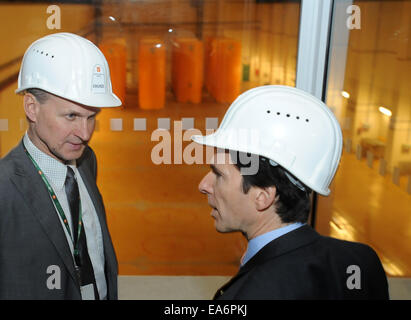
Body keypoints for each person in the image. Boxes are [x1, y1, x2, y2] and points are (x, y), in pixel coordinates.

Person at [193, 85, 389, 299]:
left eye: (219, 175)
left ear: (263, 196)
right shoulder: (361, 261)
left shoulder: (246, 295)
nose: (204, 185)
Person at [0, 33, 121, 299]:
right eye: (71, 116)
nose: (85, 133)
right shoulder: (4, 190)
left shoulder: (87, 161)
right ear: (32, 108)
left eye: (92, 117)